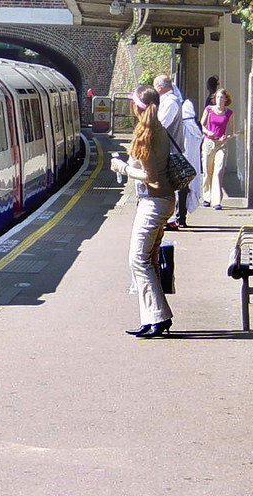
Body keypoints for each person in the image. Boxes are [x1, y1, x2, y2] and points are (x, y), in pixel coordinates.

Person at [110, 85, 176, 338]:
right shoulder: (156, 129)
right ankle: (152, 319)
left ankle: (159, 317)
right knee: (147, 260)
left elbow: (149, 175)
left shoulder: (149, 133)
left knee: (138, 259)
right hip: (160, 201)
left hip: (154, 203)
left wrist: (122, 168)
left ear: (137, 107)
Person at [154, 74, 183, 229]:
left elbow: (161, 125)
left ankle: (170, 219)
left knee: (169, 184)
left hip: (170, 150)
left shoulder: (170, 102)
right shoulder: (168, 101)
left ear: (160, 87)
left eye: (154, 86)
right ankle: (169, 218)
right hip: (167, 149)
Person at [200, 88, 235, 209]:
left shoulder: (229, 113)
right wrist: (207, 132)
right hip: (209, 142)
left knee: (218, 170)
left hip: (221, 144)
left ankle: (216, 201)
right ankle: (206, 197)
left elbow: (232, 132)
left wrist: (227, 137)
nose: (219, 100)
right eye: (218, 97)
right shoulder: (209, 109)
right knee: (207, 170)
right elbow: (202, 125)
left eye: (222, 98)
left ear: (226, 100)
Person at [181, 99, 203, 215]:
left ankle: (180, 216)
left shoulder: (180, 126)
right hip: (192, 164)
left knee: (181, 191)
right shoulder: (196, 126)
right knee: (188, 189)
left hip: (179, 164)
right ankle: (182, 218)